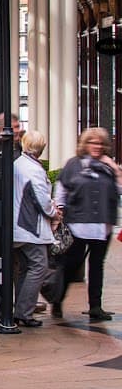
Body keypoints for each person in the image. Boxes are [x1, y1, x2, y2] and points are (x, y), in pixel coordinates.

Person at [51, 127, 121, 322]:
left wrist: (114, 168)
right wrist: (59, 211)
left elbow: (120, 189)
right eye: (93, 143)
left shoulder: (108, 166)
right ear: (85, 144)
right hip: (78, 224)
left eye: (100, 143)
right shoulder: (73, 164)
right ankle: (57, 299)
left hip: (102, 226)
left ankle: (95, 306)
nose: (97, 147)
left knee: (97, 265)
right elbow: (61, 191)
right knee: (71, 265)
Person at [12, 130, 58, 327]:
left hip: (19, 226)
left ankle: (21, 309)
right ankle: (24, 312)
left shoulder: (18, 164)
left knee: (26, 268)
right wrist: (55, 212)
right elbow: (42, 200)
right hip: (30, 228)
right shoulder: (34, 170)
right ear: (41, 147)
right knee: (39, 267)